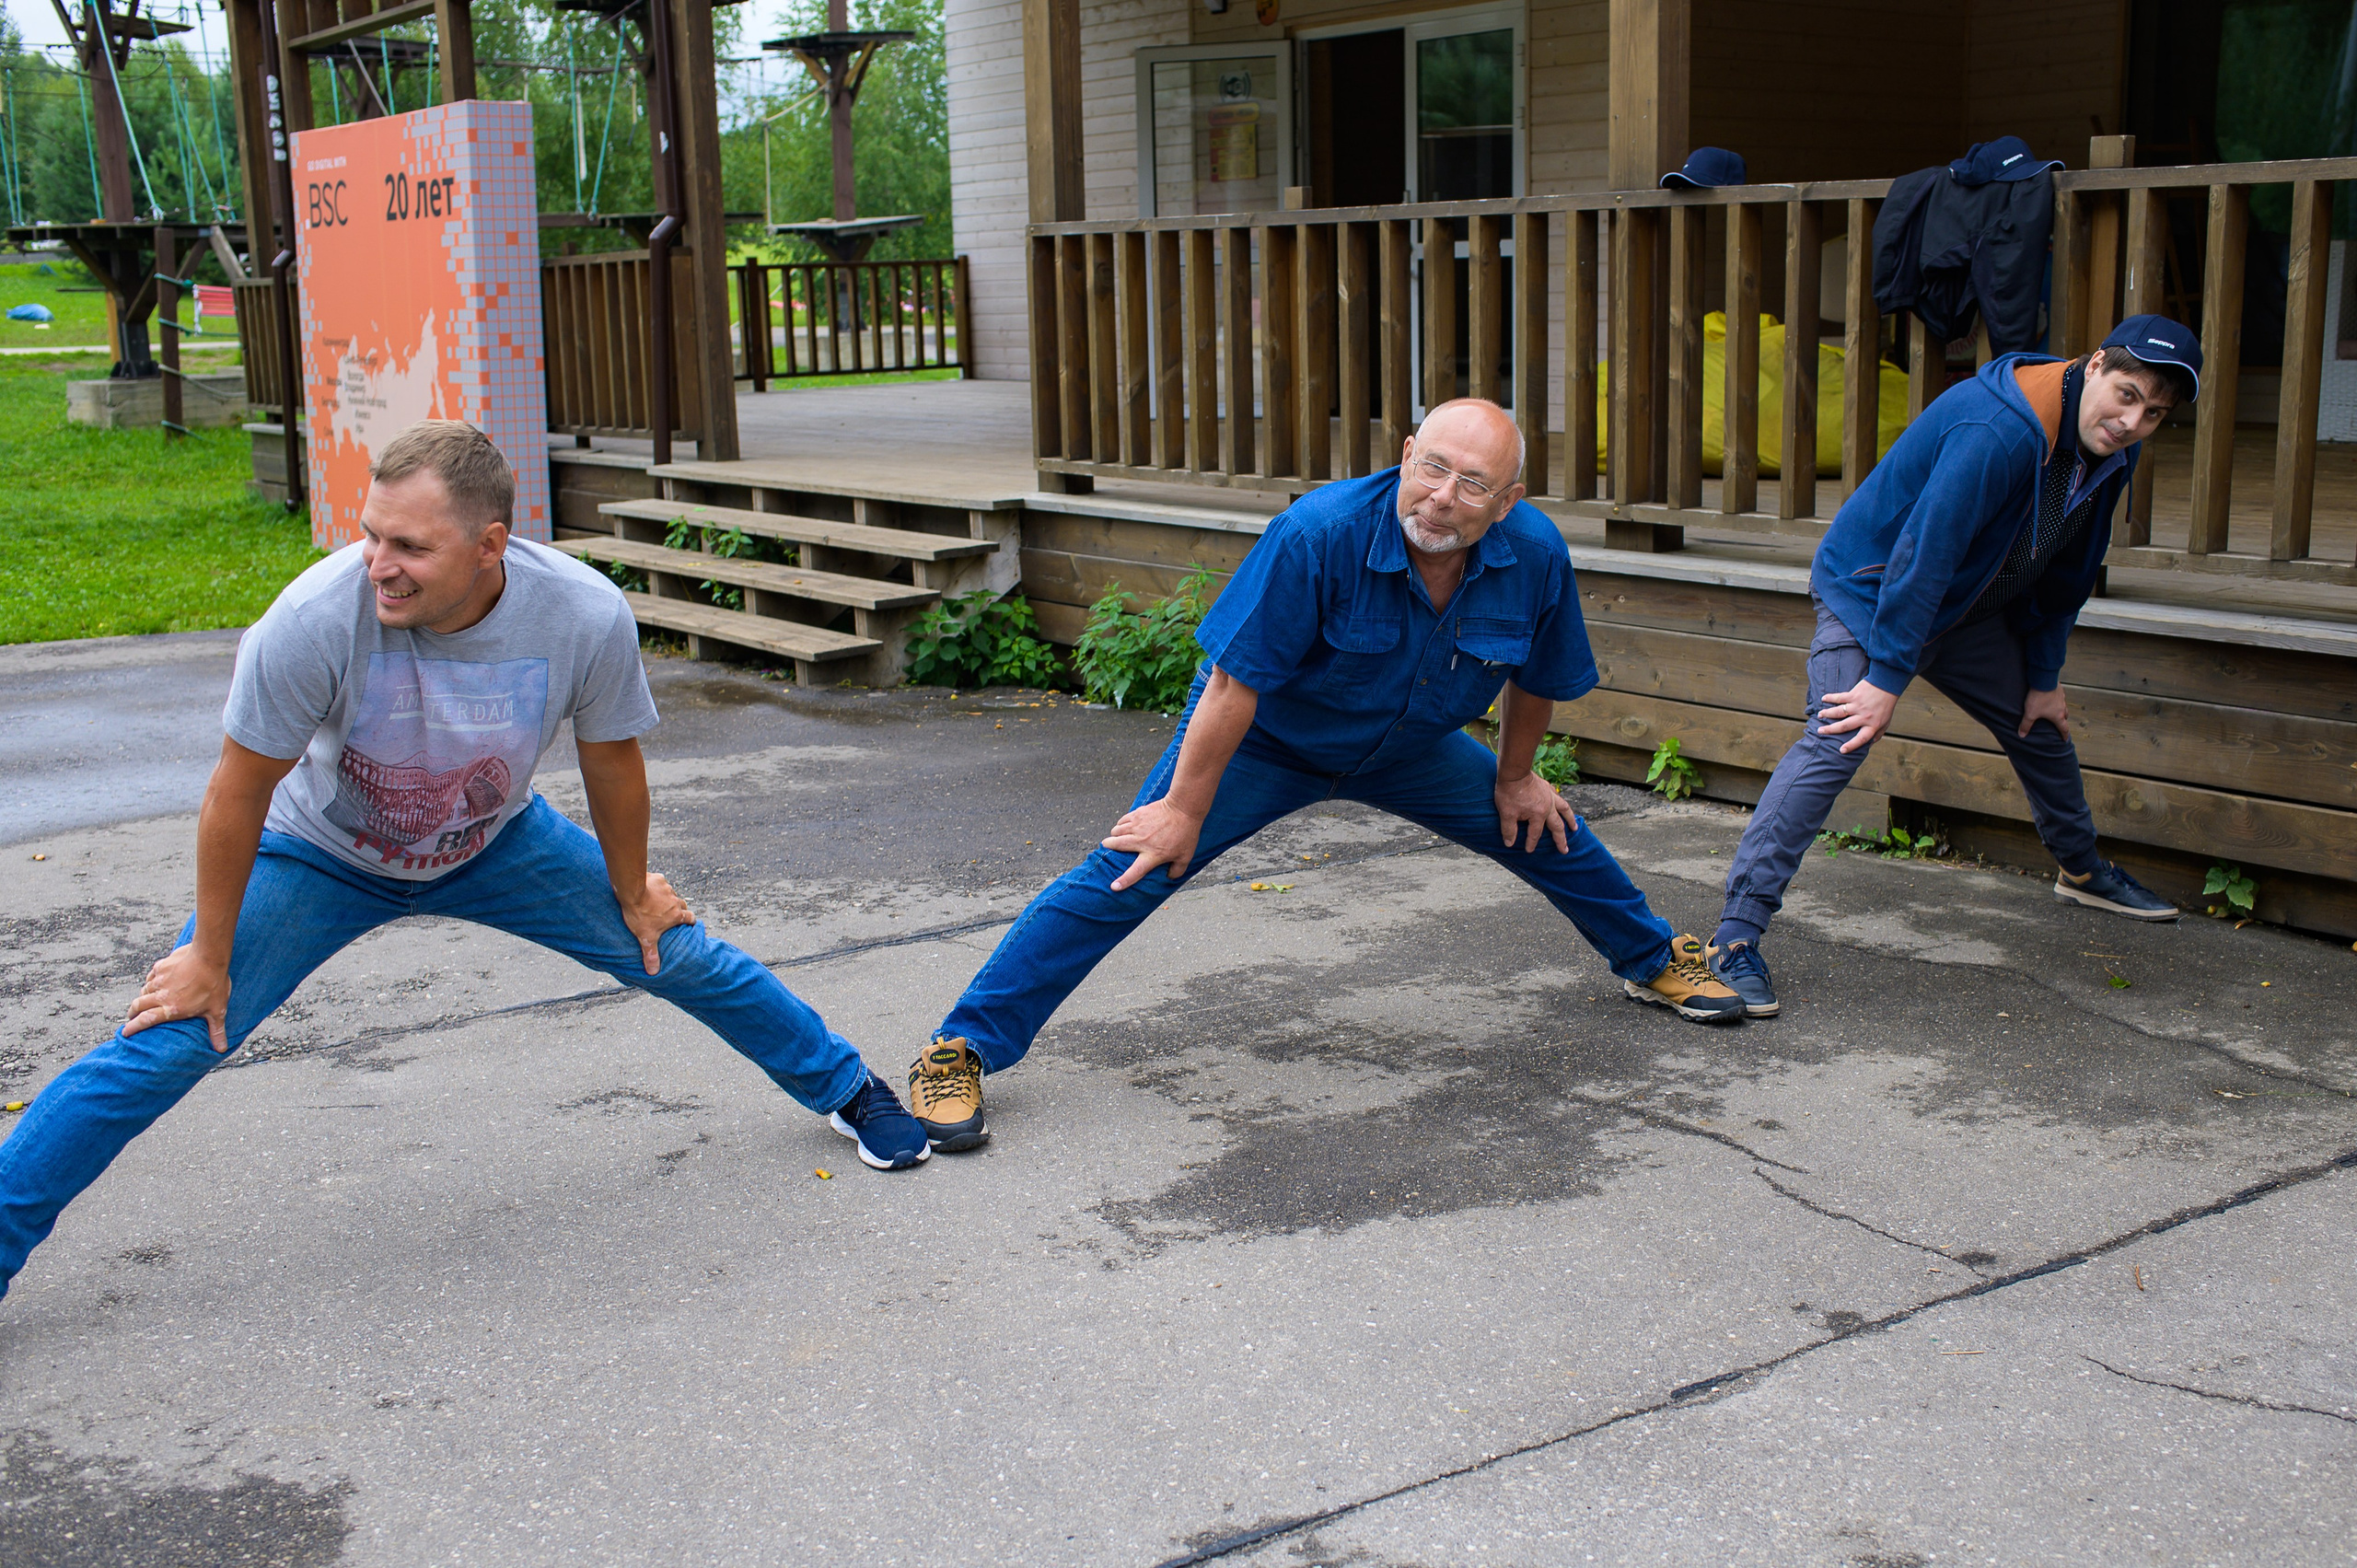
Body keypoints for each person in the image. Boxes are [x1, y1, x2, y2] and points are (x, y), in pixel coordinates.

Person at [0, 422, 929, 1303]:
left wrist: (629, 883)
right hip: (322, 850)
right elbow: (236, 789)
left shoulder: (579, 611)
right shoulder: (315, 619)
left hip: (496, 840)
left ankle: (847, 1085)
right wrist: (207, 951)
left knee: (672, 948)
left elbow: (611, 758)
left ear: (489, 544)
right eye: (370, 535)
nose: (378, 564)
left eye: (409, 545)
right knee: (170, 1037)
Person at [904, 399, 1746, 1152]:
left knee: (1543, 825)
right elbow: (1237, 682)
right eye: (1433, 468)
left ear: (1510, 502)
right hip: (1267, 738)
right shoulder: (1320, 531)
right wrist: (1184, 808)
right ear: (1409, 453)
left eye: (1474, 485)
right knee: (1134, 862)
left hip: (1411, 745)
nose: (1444, 497)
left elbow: (1538, 674)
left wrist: (1517, 775)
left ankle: (1649, 957)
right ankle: (961, 1047)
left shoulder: (1534, 554)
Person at [1708, 316, 2202, 1019]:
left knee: (2042, 725)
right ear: (2093, 365)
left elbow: (2071, 572)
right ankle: (1733, 941)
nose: (2131, 421)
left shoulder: (2107, 450)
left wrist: (2043, 672)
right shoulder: (1999, 429)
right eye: (2125, 395)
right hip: (1874, 594)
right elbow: (1922, 554)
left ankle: (2083, 868)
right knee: (1837, 736)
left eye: (2153, 413)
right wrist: (1884, 677)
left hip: (1965, 608)